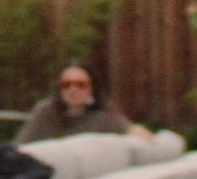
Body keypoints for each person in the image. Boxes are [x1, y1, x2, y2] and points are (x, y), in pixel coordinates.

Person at [13, 62, 152, 145]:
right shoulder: (45, 111)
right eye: (66, 85)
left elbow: (131, 130)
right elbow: (21, 145)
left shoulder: (103, 115)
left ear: (91, 88)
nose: (73, 90)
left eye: (81, 85)